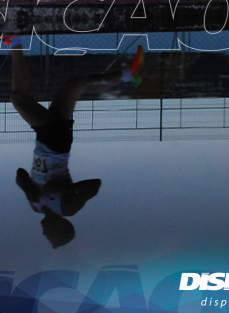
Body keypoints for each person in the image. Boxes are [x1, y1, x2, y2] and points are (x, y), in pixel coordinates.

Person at [9, 37, 144, 247]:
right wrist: (65, 191)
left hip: (49, 139)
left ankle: (128, 75)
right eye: (49, 235)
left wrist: (28, 188)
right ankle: (13, 40)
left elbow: (20, 174)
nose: (43, 232)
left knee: (76, 84)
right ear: (59, 228)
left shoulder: (36, 206)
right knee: (19, 98)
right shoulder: (67, 208)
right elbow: (94, 186)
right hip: (56, 145)